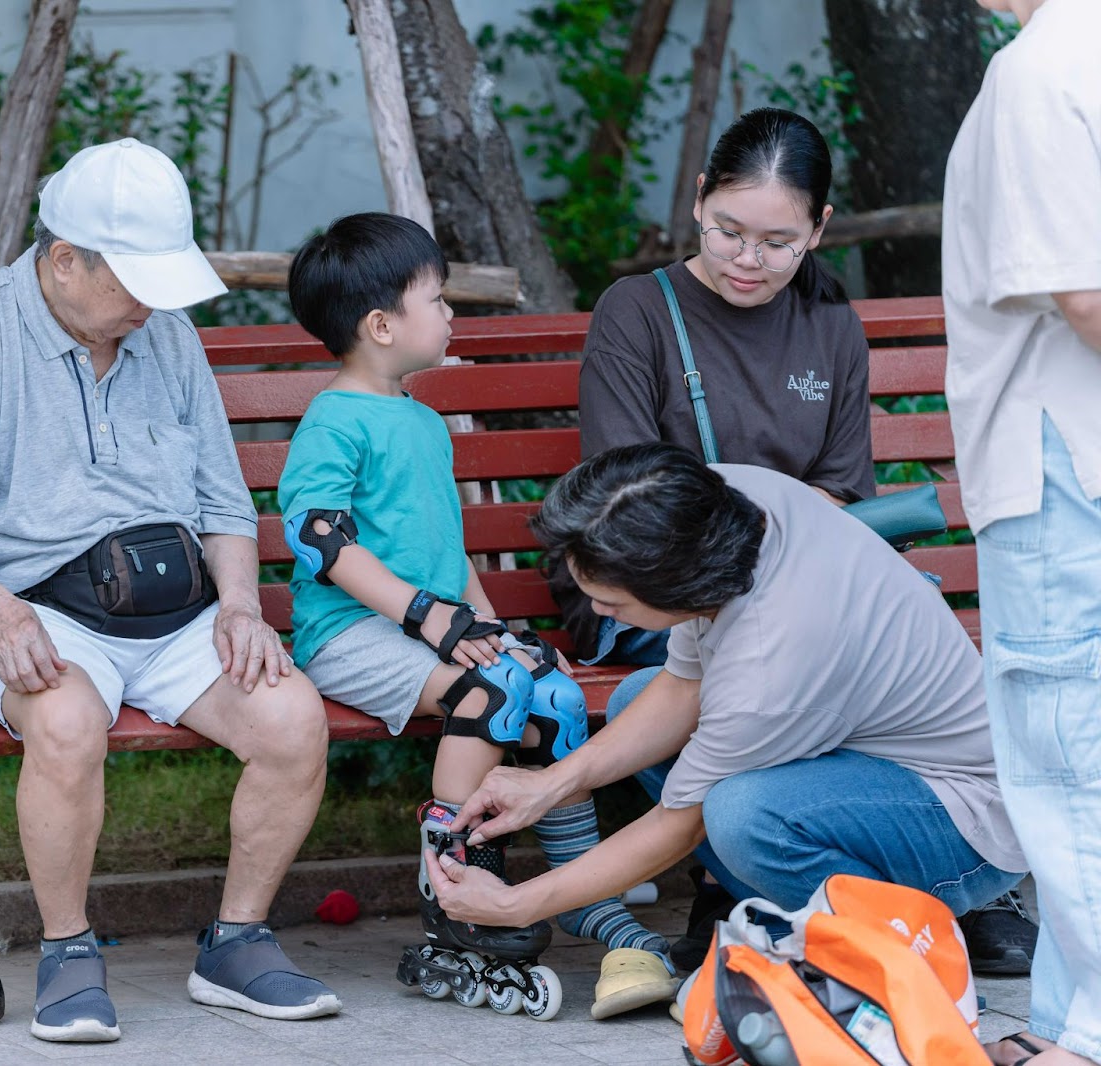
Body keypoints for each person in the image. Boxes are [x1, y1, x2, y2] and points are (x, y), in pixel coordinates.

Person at [0, 138, 340, 1043]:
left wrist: (241, 606)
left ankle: (236, 943)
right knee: (63, 722)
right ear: (62, 260)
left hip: (180, 612)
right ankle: (68, 951)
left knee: (293, 719)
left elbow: (220, 497)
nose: (151, 306)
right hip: (49, 607)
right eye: (133, 285)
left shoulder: (161, 330)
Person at [562, 105, 1035, 974]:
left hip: (800, 590)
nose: (749, 259)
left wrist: (795, 571)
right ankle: (738, 873)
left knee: (841, 656)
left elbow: (838, 491)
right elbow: (627, 497)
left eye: (778, 242)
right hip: (663, 590)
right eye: (728, 231)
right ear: (698, 200)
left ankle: (912, 876)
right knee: (652, 706)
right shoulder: (639, 311)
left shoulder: (827, 322)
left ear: (818, 229)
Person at [426, 445, 1030, 1002]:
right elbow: (683, 683)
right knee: (642, 690)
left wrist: (518, 903)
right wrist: (549, 784)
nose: (599, 613)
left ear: (682, 587)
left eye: (614, 605)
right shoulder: (726, 500)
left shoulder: (772, 660)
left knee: (742, 816)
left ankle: (886, 939)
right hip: (867, 758)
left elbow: (678, 825)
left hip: (964, 818)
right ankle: (806, 918)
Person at [278, 212, 674, 1021]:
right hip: (350, 634)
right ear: (382, 325)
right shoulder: (334, 419)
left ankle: (580, 888)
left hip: (434, 628)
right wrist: (432, 622)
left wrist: (493, 630)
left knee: (549, 693)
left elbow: (450, 550)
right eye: (438, 298)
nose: (452, 313)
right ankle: (450, 878)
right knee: (488, 695)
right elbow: (317, 536)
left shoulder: (423, 421)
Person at [943, 2, 1101, 1062]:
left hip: (1057, 460)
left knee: (1067, 763)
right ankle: (1060, 1019)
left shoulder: (1043, 67)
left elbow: (1084, 297)